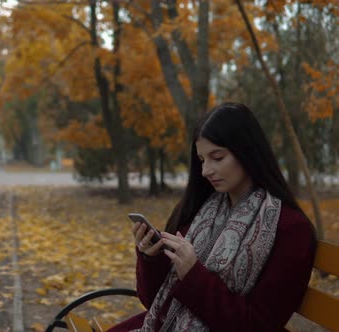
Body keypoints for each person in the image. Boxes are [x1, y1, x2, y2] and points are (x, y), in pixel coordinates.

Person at [108, 102, 316, 332]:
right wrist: (151, 259)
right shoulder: (199, 210)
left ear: (247, 151)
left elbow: (258, 325)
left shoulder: (291, 230)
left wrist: (193, 275)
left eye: (217, 157)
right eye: (202, 160)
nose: (206, 170)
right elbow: (154, 301)